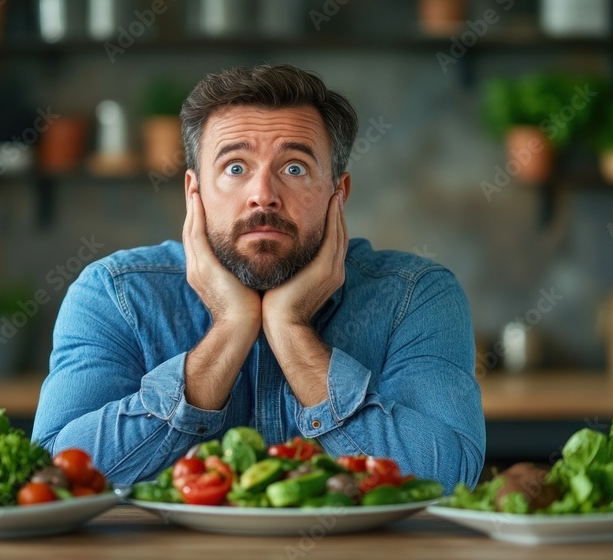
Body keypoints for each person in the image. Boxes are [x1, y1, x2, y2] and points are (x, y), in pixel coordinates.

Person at [32, 64, 485, 491]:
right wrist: (232, 326)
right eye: (235, 168)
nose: (263, 196)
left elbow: (446, 478)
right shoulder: (114, 294)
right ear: (195, 194)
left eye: (294, 168)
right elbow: (54, 473)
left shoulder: (417, 296)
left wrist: (290, 329)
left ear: (337, 194)